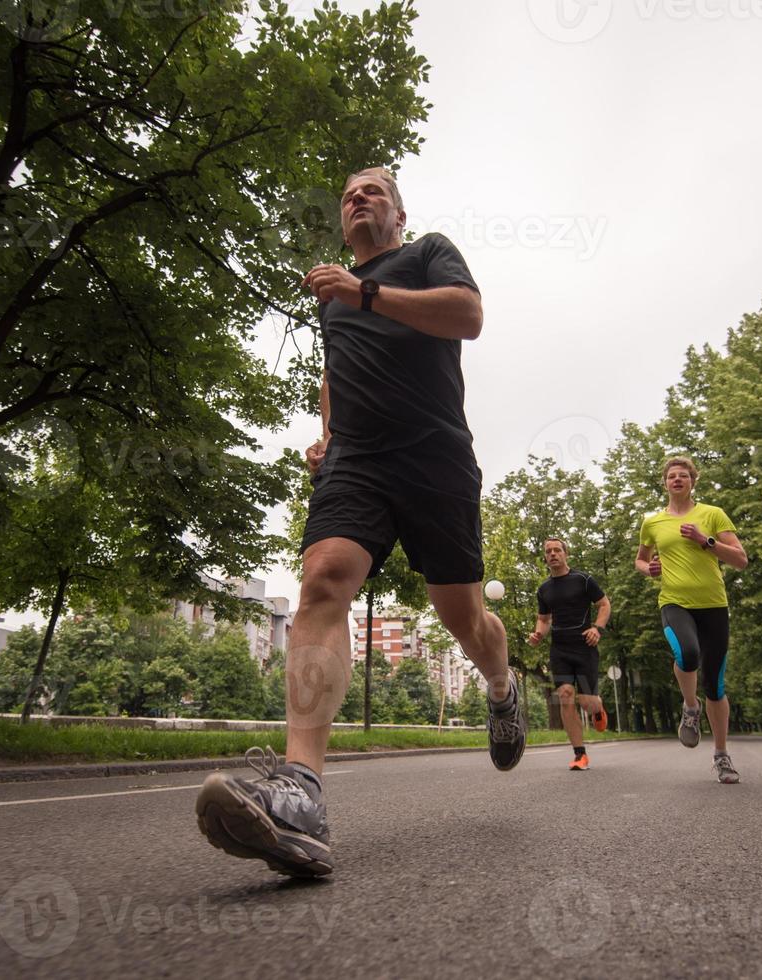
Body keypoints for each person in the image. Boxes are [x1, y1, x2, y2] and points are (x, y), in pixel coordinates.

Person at [194, 167, 522, 878]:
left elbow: (466, 316)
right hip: (357, 461)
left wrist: (364, 289)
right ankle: (300, 795)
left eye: (372, 190)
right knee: (322, 580)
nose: (357, 198)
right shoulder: (333, 300)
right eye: (348, 194)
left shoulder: (426, 254)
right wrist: (328, 433)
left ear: (399, 212)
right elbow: (338, 370)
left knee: (464, 617)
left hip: (435, 457)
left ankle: (501, 687)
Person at [634, 456, 748, 783]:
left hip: (713, 604)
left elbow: (740, 560)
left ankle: (722, 756)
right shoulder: (653, 522)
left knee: (715, 684)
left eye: (684, 475)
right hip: (674, 601)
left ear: (692, 482)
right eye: (672, 475)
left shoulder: (712, 515)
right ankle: (690, 707)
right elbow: (640, 561)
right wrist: (649, 569)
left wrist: (706, 541)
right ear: (665, 482)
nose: (678, 479)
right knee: (687, 654)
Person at [527, 536, 611, 770]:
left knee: (586, 702)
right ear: (545, 557)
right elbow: (543, 619)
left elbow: (604, 604)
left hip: (585, 646)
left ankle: (598, 707)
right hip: (560, 649)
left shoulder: (583, 580)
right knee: (565, 696)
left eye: (557, 550)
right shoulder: (544, 589)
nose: (553, 554)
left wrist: (598, 628)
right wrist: (538, 634)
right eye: (548, 551)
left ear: (566, 553)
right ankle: (579, 754)